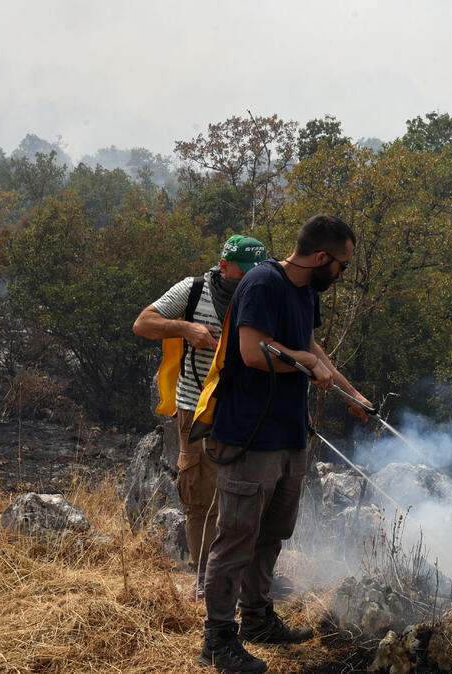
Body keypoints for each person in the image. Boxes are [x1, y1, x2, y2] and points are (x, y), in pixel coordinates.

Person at [199, 215, 371, 673]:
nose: (342, 274)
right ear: (321, 258)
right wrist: (304, 363)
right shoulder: (261, 283)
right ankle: (217, 641)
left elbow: (311, 349)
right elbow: (253, 352)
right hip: (250, 436)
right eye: (342, 265)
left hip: (290, 435)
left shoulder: (306, 292)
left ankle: (256, 618)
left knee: (272, 534)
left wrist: (351, 395)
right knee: (236, 538)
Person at [133, 234, 267, 597]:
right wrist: (185, 328)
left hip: (242, 411)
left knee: (241, 495)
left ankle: (237, 577)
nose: (251, 278)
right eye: (245, 271)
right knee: (200, 496)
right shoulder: (192, 291)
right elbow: (143, 323)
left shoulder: (259, 292)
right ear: (223, 265)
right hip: (195, 408)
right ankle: (205, 579)